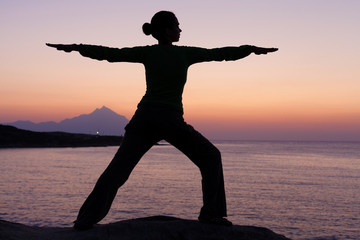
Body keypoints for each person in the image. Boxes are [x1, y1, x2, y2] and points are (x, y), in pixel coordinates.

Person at [47, 10, 278, 230]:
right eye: (177, 26)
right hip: (169, 119)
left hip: (144, 118)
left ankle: (85, 220)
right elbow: (220, 54)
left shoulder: (148, 52)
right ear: (167, 31)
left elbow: (111, 53)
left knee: (117, 170)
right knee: (210, 156)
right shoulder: (184, 53)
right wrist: (250, 49)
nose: (180, 30)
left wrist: (77, 48)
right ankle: (211, 214)